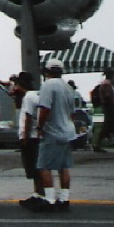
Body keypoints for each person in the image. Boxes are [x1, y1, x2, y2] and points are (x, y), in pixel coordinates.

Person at [34, 59, 77, 212]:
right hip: (68, 131)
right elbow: (72, 112)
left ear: (47, 71)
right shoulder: (68, 87)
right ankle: (64, 198)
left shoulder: (47, 85)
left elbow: (45, 108)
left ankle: (50, 198)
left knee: (44, 166)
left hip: (53, 131)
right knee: (64, 166)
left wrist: (39, 126)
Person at [13, 74, 49, 210]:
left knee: (34, 168)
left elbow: (28, 117)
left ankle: (41, 194)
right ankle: (37, 193)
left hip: (31, 137)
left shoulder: (28, 97)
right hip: (36, 136)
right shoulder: (36, 95)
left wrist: (25, 136)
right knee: (35, 168)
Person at [90, 68, 114, 152]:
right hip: (109, 107)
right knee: (109, 126)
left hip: (107, 107)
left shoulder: (105, 83)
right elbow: (107, 96)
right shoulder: (107, 84)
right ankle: (97, 145)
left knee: (111, 127)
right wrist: (112, 106)